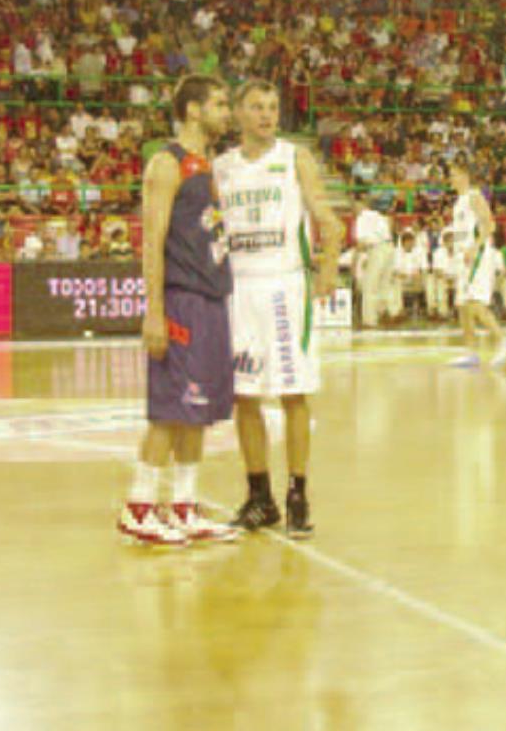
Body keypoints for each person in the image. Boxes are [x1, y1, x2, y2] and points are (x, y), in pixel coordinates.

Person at [215, 79, 344, 538]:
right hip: (238, 289)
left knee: (293, 393)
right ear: (237, 114)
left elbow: (329, 220)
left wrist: (327, 266)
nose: (267, 114)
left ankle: (298, 494)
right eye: (256, 107)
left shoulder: (294, 157)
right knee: (244, 395)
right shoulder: (222, 168)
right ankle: (258, 496)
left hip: (285, 287)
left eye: (272, 107)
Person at [117, 75, 239, 547]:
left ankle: (184, 506)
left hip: (210, 297)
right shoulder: (166, 165)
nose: (226, 112)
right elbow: (152, 241)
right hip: (181, 298)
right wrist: (154, 311)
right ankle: (139, 506)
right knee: (170, 409)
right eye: (220, 103)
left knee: (198, 410)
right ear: (193, 110)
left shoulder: (205, 165)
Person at [450, 164, 506, 363]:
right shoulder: (458, 202)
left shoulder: (474, 196)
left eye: (454, 174)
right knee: (462, 306)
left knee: (475, 304)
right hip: (463, 257)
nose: (450, 178)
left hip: (477, 255)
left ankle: (504, 343)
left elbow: (489, 224)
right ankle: (471, 354)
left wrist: (475, 247)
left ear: (465, 176)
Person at [351, 198, 392, 328]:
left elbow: (361, 243)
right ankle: (385, 313)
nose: (353, 209)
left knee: (369, 285)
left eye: (354, 206)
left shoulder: (362, 218)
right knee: (384, 284)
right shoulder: (379, 216)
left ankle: (370, 320)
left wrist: (355, 260)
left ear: (360, 205)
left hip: (376, 249)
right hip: (389, 248)